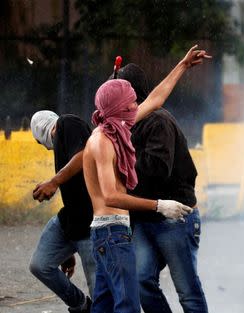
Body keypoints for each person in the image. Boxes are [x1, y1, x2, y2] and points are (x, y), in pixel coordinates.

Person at [84, 77, 198, 313]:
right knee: (128, 307)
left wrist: (184, 66)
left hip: (110, 233)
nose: (137, 107)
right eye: (131, 103)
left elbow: (155, 99)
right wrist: (159, 205)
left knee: (103, 306)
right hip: (112, 232)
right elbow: (111, 197)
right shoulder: (103, 140)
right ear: (119, 108)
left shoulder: (116, 127)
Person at [114, 45, 210, 313]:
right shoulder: (125, 126)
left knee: (187, 291)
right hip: (145, 218)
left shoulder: (157, 122)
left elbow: (157, 170)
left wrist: (118, 162)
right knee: (142, 280)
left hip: (174, 217)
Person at [29, 110, 95, 313]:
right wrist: (67, 247)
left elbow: (86, 154)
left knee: (100, 289)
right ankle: (81, 306)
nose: (45, 147)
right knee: (40, 264)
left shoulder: (67, 123)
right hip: (71, 219)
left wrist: (54, 181)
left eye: (40, 143)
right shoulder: (61, 145)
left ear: (41, 132)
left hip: (92, 221)